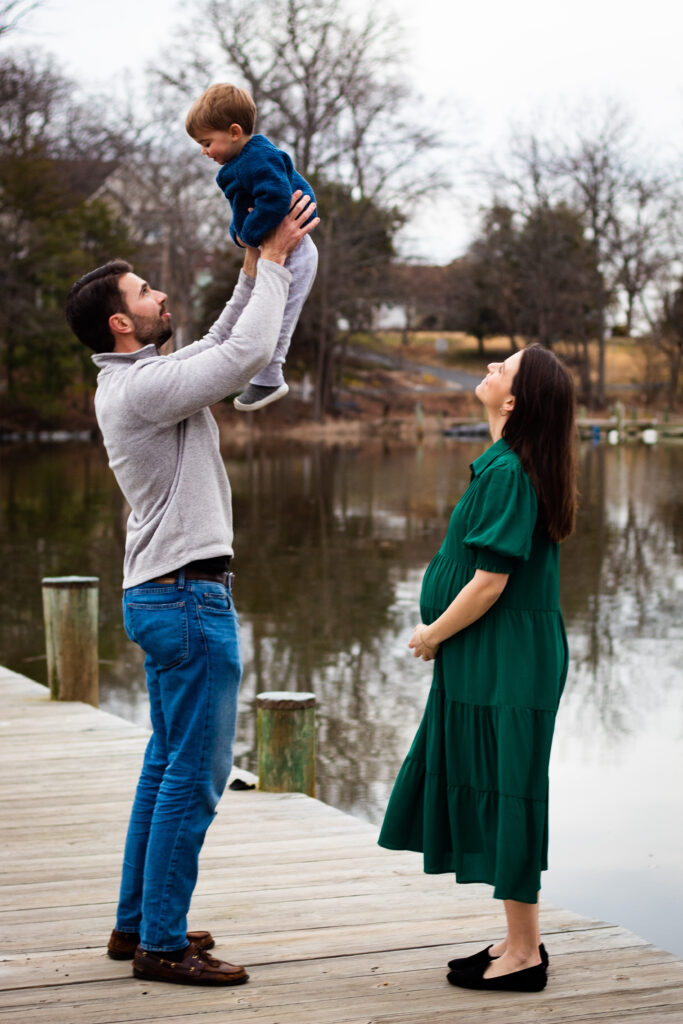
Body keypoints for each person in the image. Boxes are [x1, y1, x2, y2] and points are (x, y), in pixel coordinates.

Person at [64, 194, 318, 986]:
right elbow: (240, 359)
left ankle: (137, 923)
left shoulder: (142, 376)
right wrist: (274, 261)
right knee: (194, 776)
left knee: (164, 765)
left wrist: (252, 271)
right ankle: (162, 946)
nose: (159, 295)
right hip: (185, 599)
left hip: (162, 594)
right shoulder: (141, 389)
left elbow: (219, 342)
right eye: (144, 293)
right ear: (120, 323)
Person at [378, 344, 577, 994]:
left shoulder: (508, 472)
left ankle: (524, 956)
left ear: (513, 401)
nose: (488, 371)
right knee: (498, 785)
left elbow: (489, 583)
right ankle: (518, 938)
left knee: (510, 789)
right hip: (493, 655)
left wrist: (431, 634)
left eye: (502, 370)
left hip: (505, 658)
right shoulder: (507, 465)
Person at [186, 82, 318, 412]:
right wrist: (242, 237)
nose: (204, 151)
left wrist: (252, 232)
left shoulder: (260, 158)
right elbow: (240, 209)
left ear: (233, 132)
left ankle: (269, 379)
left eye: (207, 142)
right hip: (275, 249)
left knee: (280, 318)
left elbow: (273, 201)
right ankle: (248, 374)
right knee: (254, 314)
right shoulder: (236, 166)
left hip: (295, 250)